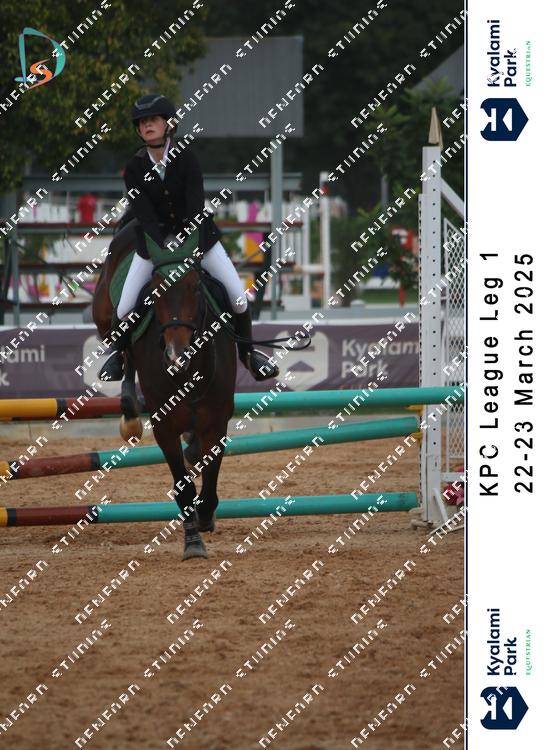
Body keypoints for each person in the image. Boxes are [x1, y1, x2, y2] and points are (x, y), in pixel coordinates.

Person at [99, 93, 279, 383]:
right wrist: (163, 247)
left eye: (153, 120)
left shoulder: (187, 158)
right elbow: (143, 214)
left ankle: (248, 355)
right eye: (142, 122)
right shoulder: (134, 168)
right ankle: (117, 356)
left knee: (238, 297)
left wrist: (184, 243)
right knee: (124, 307)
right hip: (154, 244)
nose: (146, 125)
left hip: (198, 239)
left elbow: (195, 207)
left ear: (169, 124)